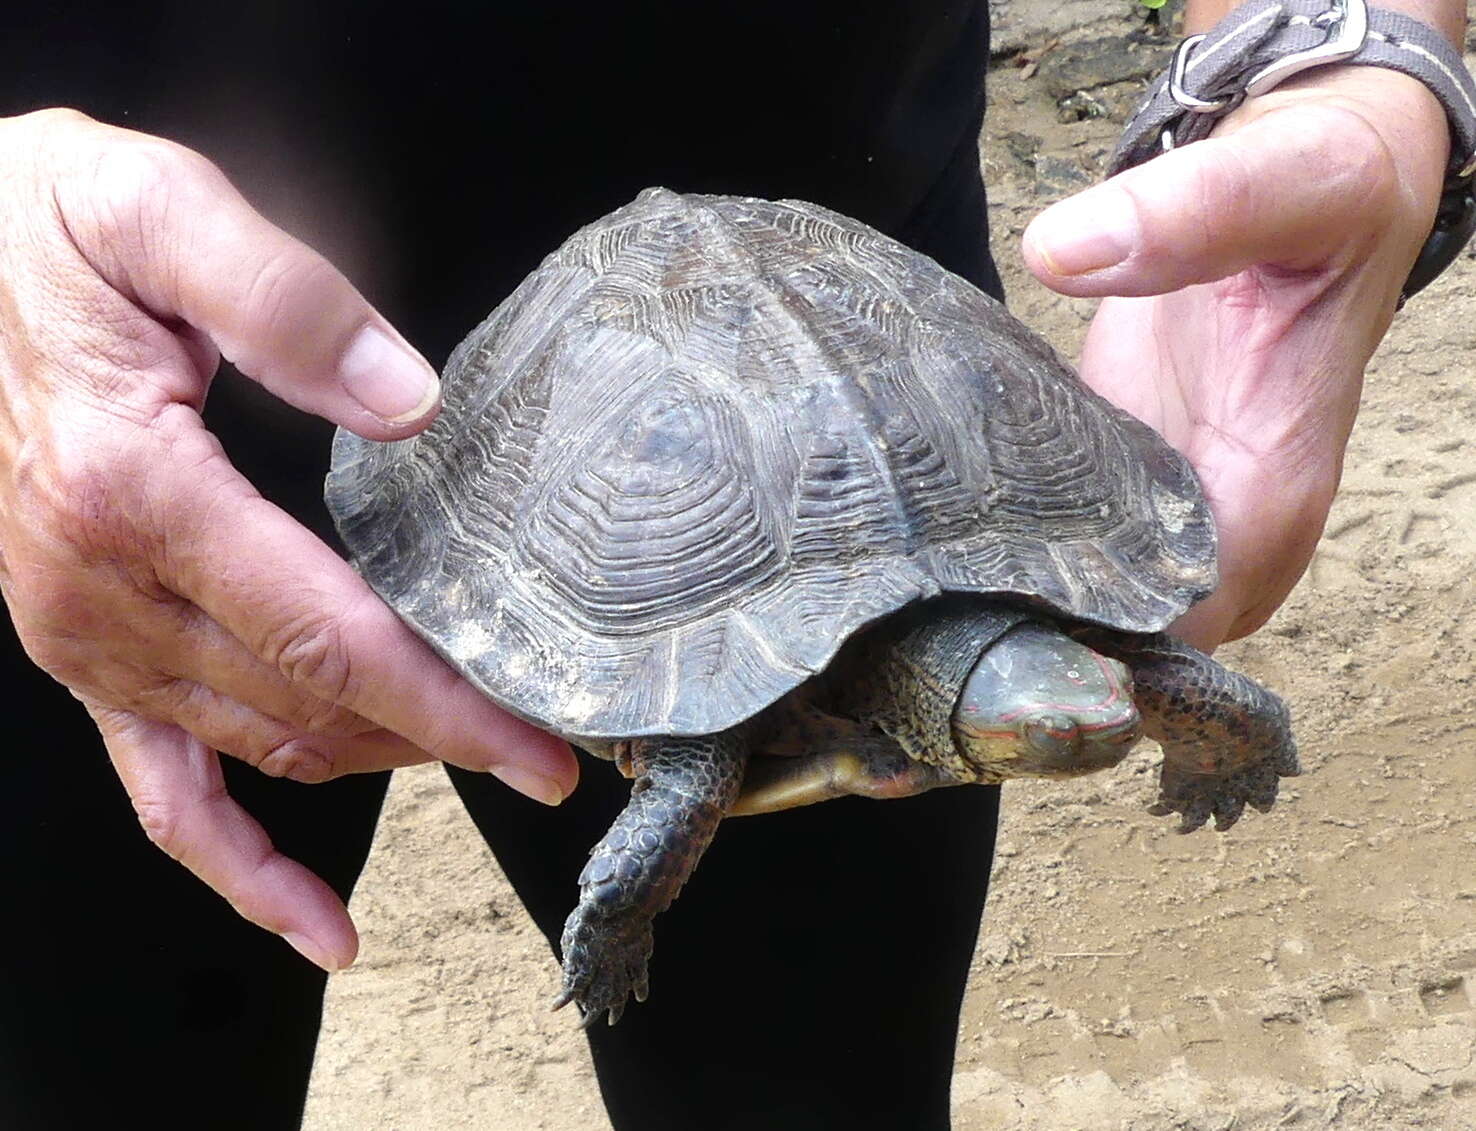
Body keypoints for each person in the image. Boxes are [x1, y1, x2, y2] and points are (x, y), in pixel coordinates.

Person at [0, 0, 1463, 1127]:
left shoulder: (1081, 670)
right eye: (1076, 714)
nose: (1092, 721)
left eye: (1071, 710)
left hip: (853, 299)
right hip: (86, 365)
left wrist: (1340, 53)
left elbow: (1155, 673)